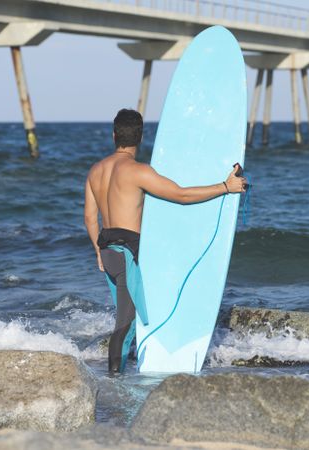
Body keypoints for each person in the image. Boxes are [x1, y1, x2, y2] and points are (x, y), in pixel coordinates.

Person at [84, 108, 246, 374]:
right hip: (128, 254)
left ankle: (126, 372)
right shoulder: (138, 172)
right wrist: (225, 188)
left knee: (129, 317)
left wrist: (97, 252)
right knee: (125, 324)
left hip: (109, 251)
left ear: (113, 135)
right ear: (141, 138)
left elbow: (90, 217)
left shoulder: (96, 170)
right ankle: (114, 383)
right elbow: (181, 195)